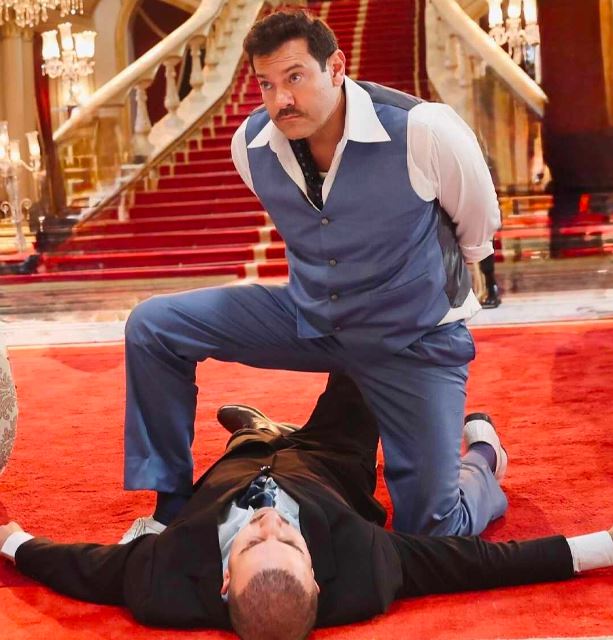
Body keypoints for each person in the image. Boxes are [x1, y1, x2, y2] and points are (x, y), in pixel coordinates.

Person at [121, 8, 503, 541]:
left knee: (434, 532)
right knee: (154, 325)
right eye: (266, 84)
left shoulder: (423, 129)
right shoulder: (251, 145)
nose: (281, 99)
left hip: (412, 339)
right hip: (313, 320)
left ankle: (483, 456)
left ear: (336, 67)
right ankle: (170, 506)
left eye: (295, 77)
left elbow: (477, 231)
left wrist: (410, 294)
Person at [2, 376, 612, 640]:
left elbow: (80, 567)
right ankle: (486, 457)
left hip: (243, 462)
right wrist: (601, 547)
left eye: (251, 541)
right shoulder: (366, 569)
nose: (268, 523)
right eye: (287, 541)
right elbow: (477, 565)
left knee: (248, 445)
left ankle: (262, 431)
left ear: (222, 581)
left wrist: (12, 541)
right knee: (372, 356)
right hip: (332, 462)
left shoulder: (162, 580)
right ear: (318, 576)